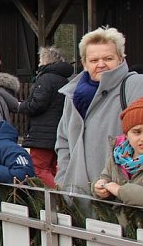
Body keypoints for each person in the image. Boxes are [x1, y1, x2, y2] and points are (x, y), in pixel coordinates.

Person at [57, 26, 143, 192]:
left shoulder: (135, 85)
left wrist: (124, 189)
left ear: (121, 58)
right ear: (84, 63)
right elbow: (63, 140)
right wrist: (64, 179)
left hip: (119, 198)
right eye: (94, 60)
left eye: (108, 58)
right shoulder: (72, 95)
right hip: (76, 196)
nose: (101, 65)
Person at [11, 47, 73, 188]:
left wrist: (21, 106)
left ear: (45, 60)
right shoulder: (64, 80)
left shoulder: (45, 79)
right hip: (58, 131)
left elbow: (37, 104)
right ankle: (59, 199)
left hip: (42, 133)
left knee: (39, 168)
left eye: (40, 59)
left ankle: (59, 198)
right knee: (53, 168)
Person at [93, 97, 143, 205]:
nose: (142, 138)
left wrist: (119, 190)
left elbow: (117, 189)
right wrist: (99, 187)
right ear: (126, 135)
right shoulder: (118, 155)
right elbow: (105, 177)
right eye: (137, 132)